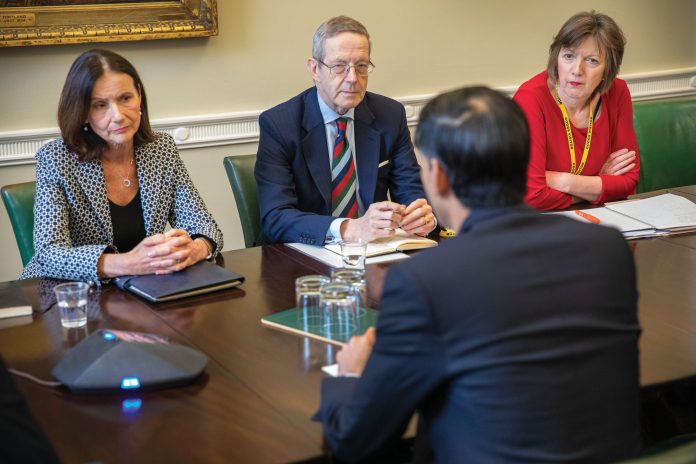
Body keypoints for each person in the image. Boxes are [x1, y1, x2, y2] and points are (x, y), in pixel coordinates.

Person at [314, 87, 641, 463]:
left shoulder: (425, 280)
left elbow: (356, 440)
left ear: (437, 177)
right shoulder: (609, 249)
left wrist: (350, 376)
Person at [20, 49, 223, 284]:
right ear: (83, 112)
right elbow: (49, 255)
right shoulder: (56, 158)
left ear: (139, 97)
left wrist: (195, 248)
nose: (117, 115)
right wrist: (129, 263)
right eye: (100, 105)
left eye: (125, 98)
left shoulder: (161, 148)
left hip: (146, 289)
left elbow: (204, 224)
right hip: (70, 295)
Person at [255, 16, 436, 245]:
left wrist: (419, 215)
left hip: (374, 252)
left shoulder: (390, 115)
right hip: (302, 253)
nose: (353, 79)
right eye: (339, 66)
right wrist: (347, 228)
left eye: (361, 66)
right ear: (314, 69)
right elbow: (275, 217)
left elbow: (410, 190)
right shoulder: (279, 124)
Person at [514, 11, 640, 210]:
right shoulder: (531, 98)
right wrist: (598, 183)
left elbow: (628, 181)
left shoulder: (618, 92)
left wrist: (562, 181)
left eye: (592, 60)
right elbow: (533, 196)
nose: (577, 70)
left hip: (596, 221)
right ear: (556, 58)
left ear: (608, 69)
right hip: (537, 226)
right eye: (568, 56)